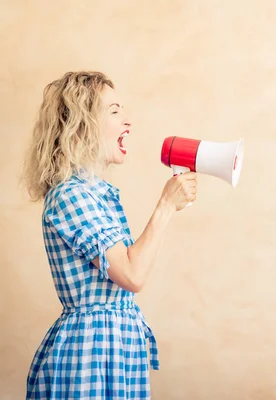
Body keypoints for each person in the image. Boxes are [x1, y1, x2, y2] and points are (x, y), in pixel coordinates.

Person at [22, 71, 197, 399]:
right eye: (114, 111)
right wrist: (165, 206)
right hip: (89, 356)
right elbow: (133, 274)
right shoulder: (69, 197)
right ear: (80, 123)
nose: (127, 120)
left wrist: (170, 207)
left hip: (115, 348)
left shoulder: (98, 195)